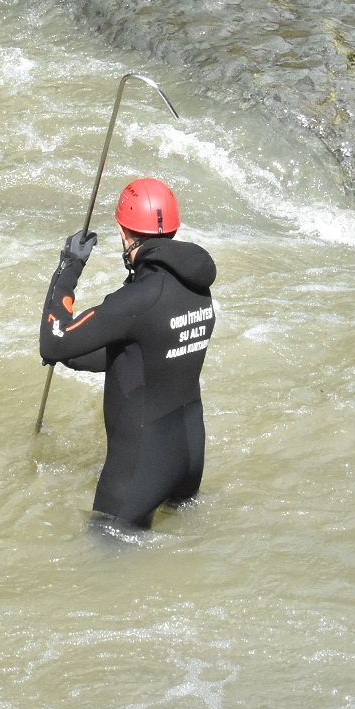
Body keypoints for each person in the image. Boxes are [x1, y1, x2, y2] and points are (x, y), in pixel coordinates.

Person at [38, 178, 219, 530]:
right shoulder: (197, 288)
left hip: (139, 469)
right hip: (188, 453)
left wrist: (68, 268)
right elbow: (134, 357)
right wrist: (71, 356)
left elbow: (54, 341)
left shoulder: (137, 301)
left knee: (101, 572)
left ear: (124, 232)